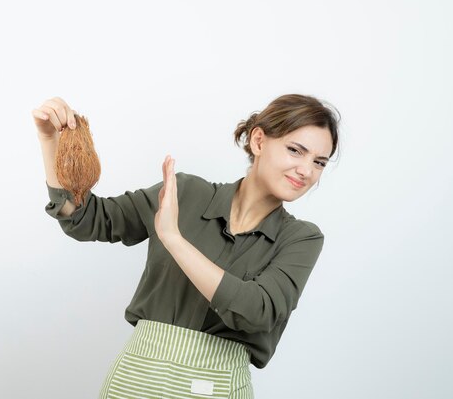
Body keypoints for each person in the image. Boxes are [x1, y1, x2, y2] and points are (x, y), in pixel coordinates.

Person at [32, 94, 340, 399]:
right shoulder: (186, 192)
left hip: (217, 389)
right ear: (258, 141)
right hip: (135, 382)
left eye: (319, 162)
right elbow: (87, 220)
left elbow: (255, 312)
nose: (306, 170)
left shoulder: (301, 238)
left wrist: (174, 239)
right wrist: (49, 141)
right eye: (295, 150)